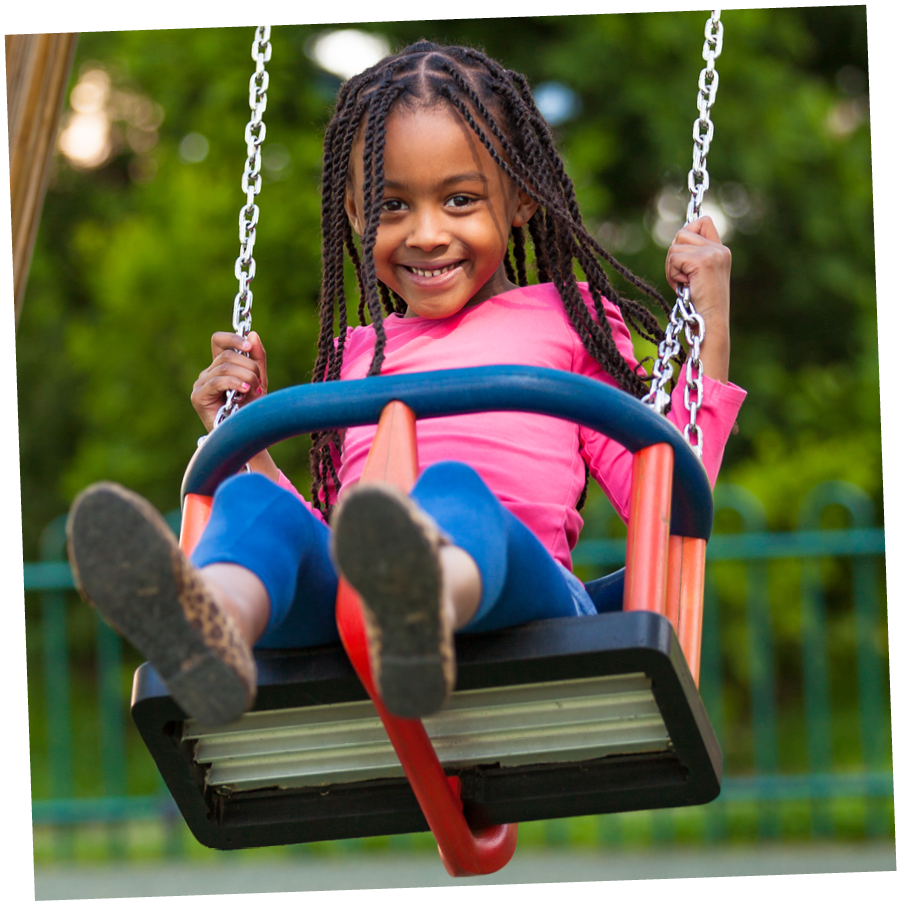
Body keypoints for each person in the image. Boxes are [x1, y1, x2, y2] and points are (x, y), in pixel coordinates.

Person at [67, 42, 745, 727]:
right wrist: (244, 440)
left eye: (459, 199)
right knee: (249, 503)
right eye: (392, 206)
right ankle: (207, 626)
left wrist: (709, 321)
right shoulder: (359, 355)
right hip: (360, 620)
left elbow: (664, 500)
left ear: (521, 198)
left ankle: (421, 605)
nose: (426, 233)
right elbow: (332, 537)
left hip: (528, 614)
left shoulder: (568, 321)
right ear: (357, 217)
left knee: (449, 492)